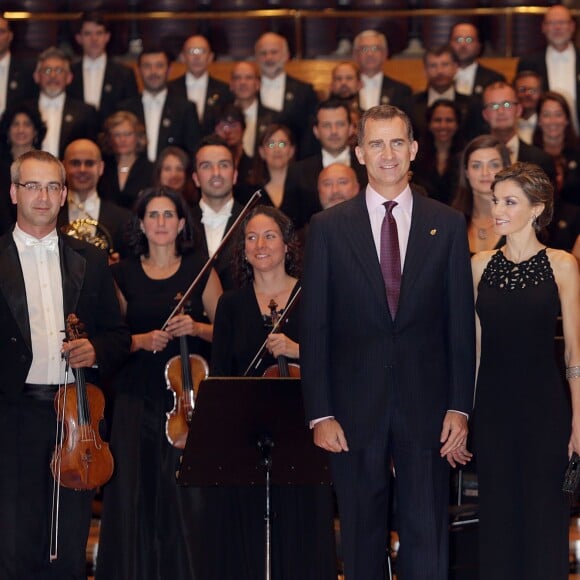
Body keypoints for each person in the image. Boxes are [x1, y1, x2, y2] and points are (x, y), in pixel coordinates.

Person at [300, 105, 475, 579]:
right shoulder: (328, 229)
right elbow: (315, 328)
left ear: (414, 149)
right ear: (359, 153)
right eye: (376, 143)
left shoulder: (449, 224)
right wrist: (320, 412)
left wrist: (460, 406)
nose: (388, 153)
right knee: (359, 537)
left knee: (428, 536)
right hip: (352, 412)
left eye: (397, 142)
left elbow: (459, 325)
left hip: (429, 408)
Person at [0, 150, 130, 578]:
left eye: (52, 186)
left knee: (69, 548)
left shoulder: (90, 260)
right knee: (13, 545)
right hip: (12, 418)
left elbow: (117, 335)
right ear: (14, 192)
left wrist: (96, 350)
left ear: (64, 195)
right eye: (32, 186)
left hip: (76, 419)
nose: (42, 196)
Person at [203, 204, 336, 580]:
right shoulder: (231, 304)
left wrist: (299, 351)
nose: (260, 244)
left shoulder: (313, 295)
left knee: (302, 529)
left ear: (287, 245)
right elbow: (222, 376)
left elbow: (342, 360)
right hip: (250, 442)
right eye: (251, 237)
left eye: (270, 235)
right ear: (243, 249)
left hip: (307, 435)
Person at [96, 187, 222, 580]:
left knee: (185, 499)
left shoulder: (201, 268)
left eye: (169, 215)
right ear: (141, 224)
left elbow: (232, 334)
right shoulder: (120, 273)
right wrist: (141, 340)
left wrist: (198, 327)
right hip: (135, 398)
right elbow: (110, 339)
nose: (161, 223)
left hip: (187, 405)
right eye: (153, 215)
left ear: (182, 223)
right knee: (133, 497)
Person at [470, 162, 580, 579]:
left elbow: (574, 353)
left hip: (545, 412)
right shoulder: (479, 265)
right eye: (496, 200)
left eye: (509, 202)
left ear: (536, 209)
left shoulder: (562, 264)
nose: (498, 209)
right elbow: (476, 351)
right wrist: (466, 415)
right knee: (497, 522)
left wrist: (578, 421)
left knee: (544, 521)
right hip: (494, 411)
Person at [117, 46, 201, 162]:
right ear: (139, 70)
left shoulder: (185, 109)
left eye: (159, 66)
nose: (153, 72)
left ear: (169, 69)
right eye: (147, 66)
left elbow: (193, 151)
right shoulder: (125, 108)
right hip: (135, 176)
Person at [59, 139, 132, 262]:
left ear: (101, 167)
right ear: (64, 167)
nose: (82, 169)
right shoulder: (49, 215)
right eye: (75, 163)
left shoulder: (124, 219)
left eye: (89, 163)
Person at [191, 134, 244, 291]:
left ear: (234, 175)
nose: (216, 173)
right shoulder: (180, 223)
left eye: (224, 165)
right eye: (206, 166)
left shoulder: (253, 220)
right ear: (195, 178)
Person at [254, 32, 319, 159]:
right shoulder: (247, 90)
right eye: (263, 53)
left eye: (274, 52)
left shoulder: (304, 91)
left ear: (286, 56)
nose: (268, 58)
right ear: (256, 57)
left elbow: (310, 135)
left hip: (296, 163)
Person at [68, 11, 138, 126]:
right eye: (88, 34)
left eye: (99, 33)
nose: (94, 39)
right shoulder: (69, 73)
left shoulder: (124, 74)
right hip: (77, 138)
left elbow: (130, 113)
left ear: (107, 37)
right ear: (78, 38)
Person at [517, 4, 580, 132]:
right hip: (540, 138)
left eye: (562, 22)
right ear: (543, 27)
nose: (557, 28)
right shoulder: (528, 62)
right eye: (551, 23)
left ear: (572, 27)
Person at [27, 46, 99, 159]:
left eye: (59, 70)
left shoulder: (85, 112)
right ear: (36, 77)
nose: (53, 76)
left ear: (69, 77)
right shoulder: (23, 109)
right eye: (47, 70)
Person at [482, 81, 557, 183]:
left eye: (507, 104)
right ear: (485, 114)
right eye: (493, 106)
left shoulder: (541, 161)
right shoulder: (469, 159)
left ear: (519, 110)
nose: (500, 111)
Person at [452, 134, 511, 254]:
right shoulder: (450, 221)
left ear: (506, 169)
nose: (485, 172)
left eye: (493, 165)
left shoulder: (520, 221)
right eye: (476, 166)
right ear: (466, 172)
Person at [168, 34, 233, 137]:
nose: (197, 57)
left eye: (202, 51)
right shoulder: (170, 89)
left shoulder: (224, 90)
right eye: (192, 52)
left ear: (210, 57)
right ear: (182, 57)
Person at [0, 104, 46, 234]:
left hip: (39, 233)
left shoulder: (47, 165)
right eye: (15, 124)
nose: (21, 129)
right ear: (7, 130)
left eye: (27, 124)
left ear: (35, 131)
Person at [412, 99, 464, 205]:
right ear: (429, 124)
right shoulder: (415, 157)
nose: (443, 125)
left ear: (457, 124)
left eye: (449, 120)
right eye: (437, 120)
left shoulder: (466, 156)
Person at [98, 110, 154, 209]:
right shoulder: (102, 168)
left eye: (128, 134)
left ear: (138, 136)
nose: (122, 139)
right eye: (117, 135)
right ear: (109, 138)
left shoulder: (151, 169)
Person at [352, 30, 413, 117]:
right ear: (355, 54)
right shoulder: (344, 89)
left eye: (375, 48)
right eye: (364, 49)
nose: (370, 53)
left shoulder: (402, 91)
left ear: (385, 53)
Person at [248, 123, 297, 214]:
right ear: (261, 151)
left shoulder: (303, 189)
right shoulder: (251, 193)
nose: (277, 149)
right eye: (271, 144)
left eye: (282, 144)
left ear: (291, 150)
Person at [513, 70, 543, 144]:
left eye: (532, 90)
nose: (527, 94)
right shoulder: (507, 123)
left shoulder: (547, 124)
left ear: (541, 93)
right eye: (522, 90)